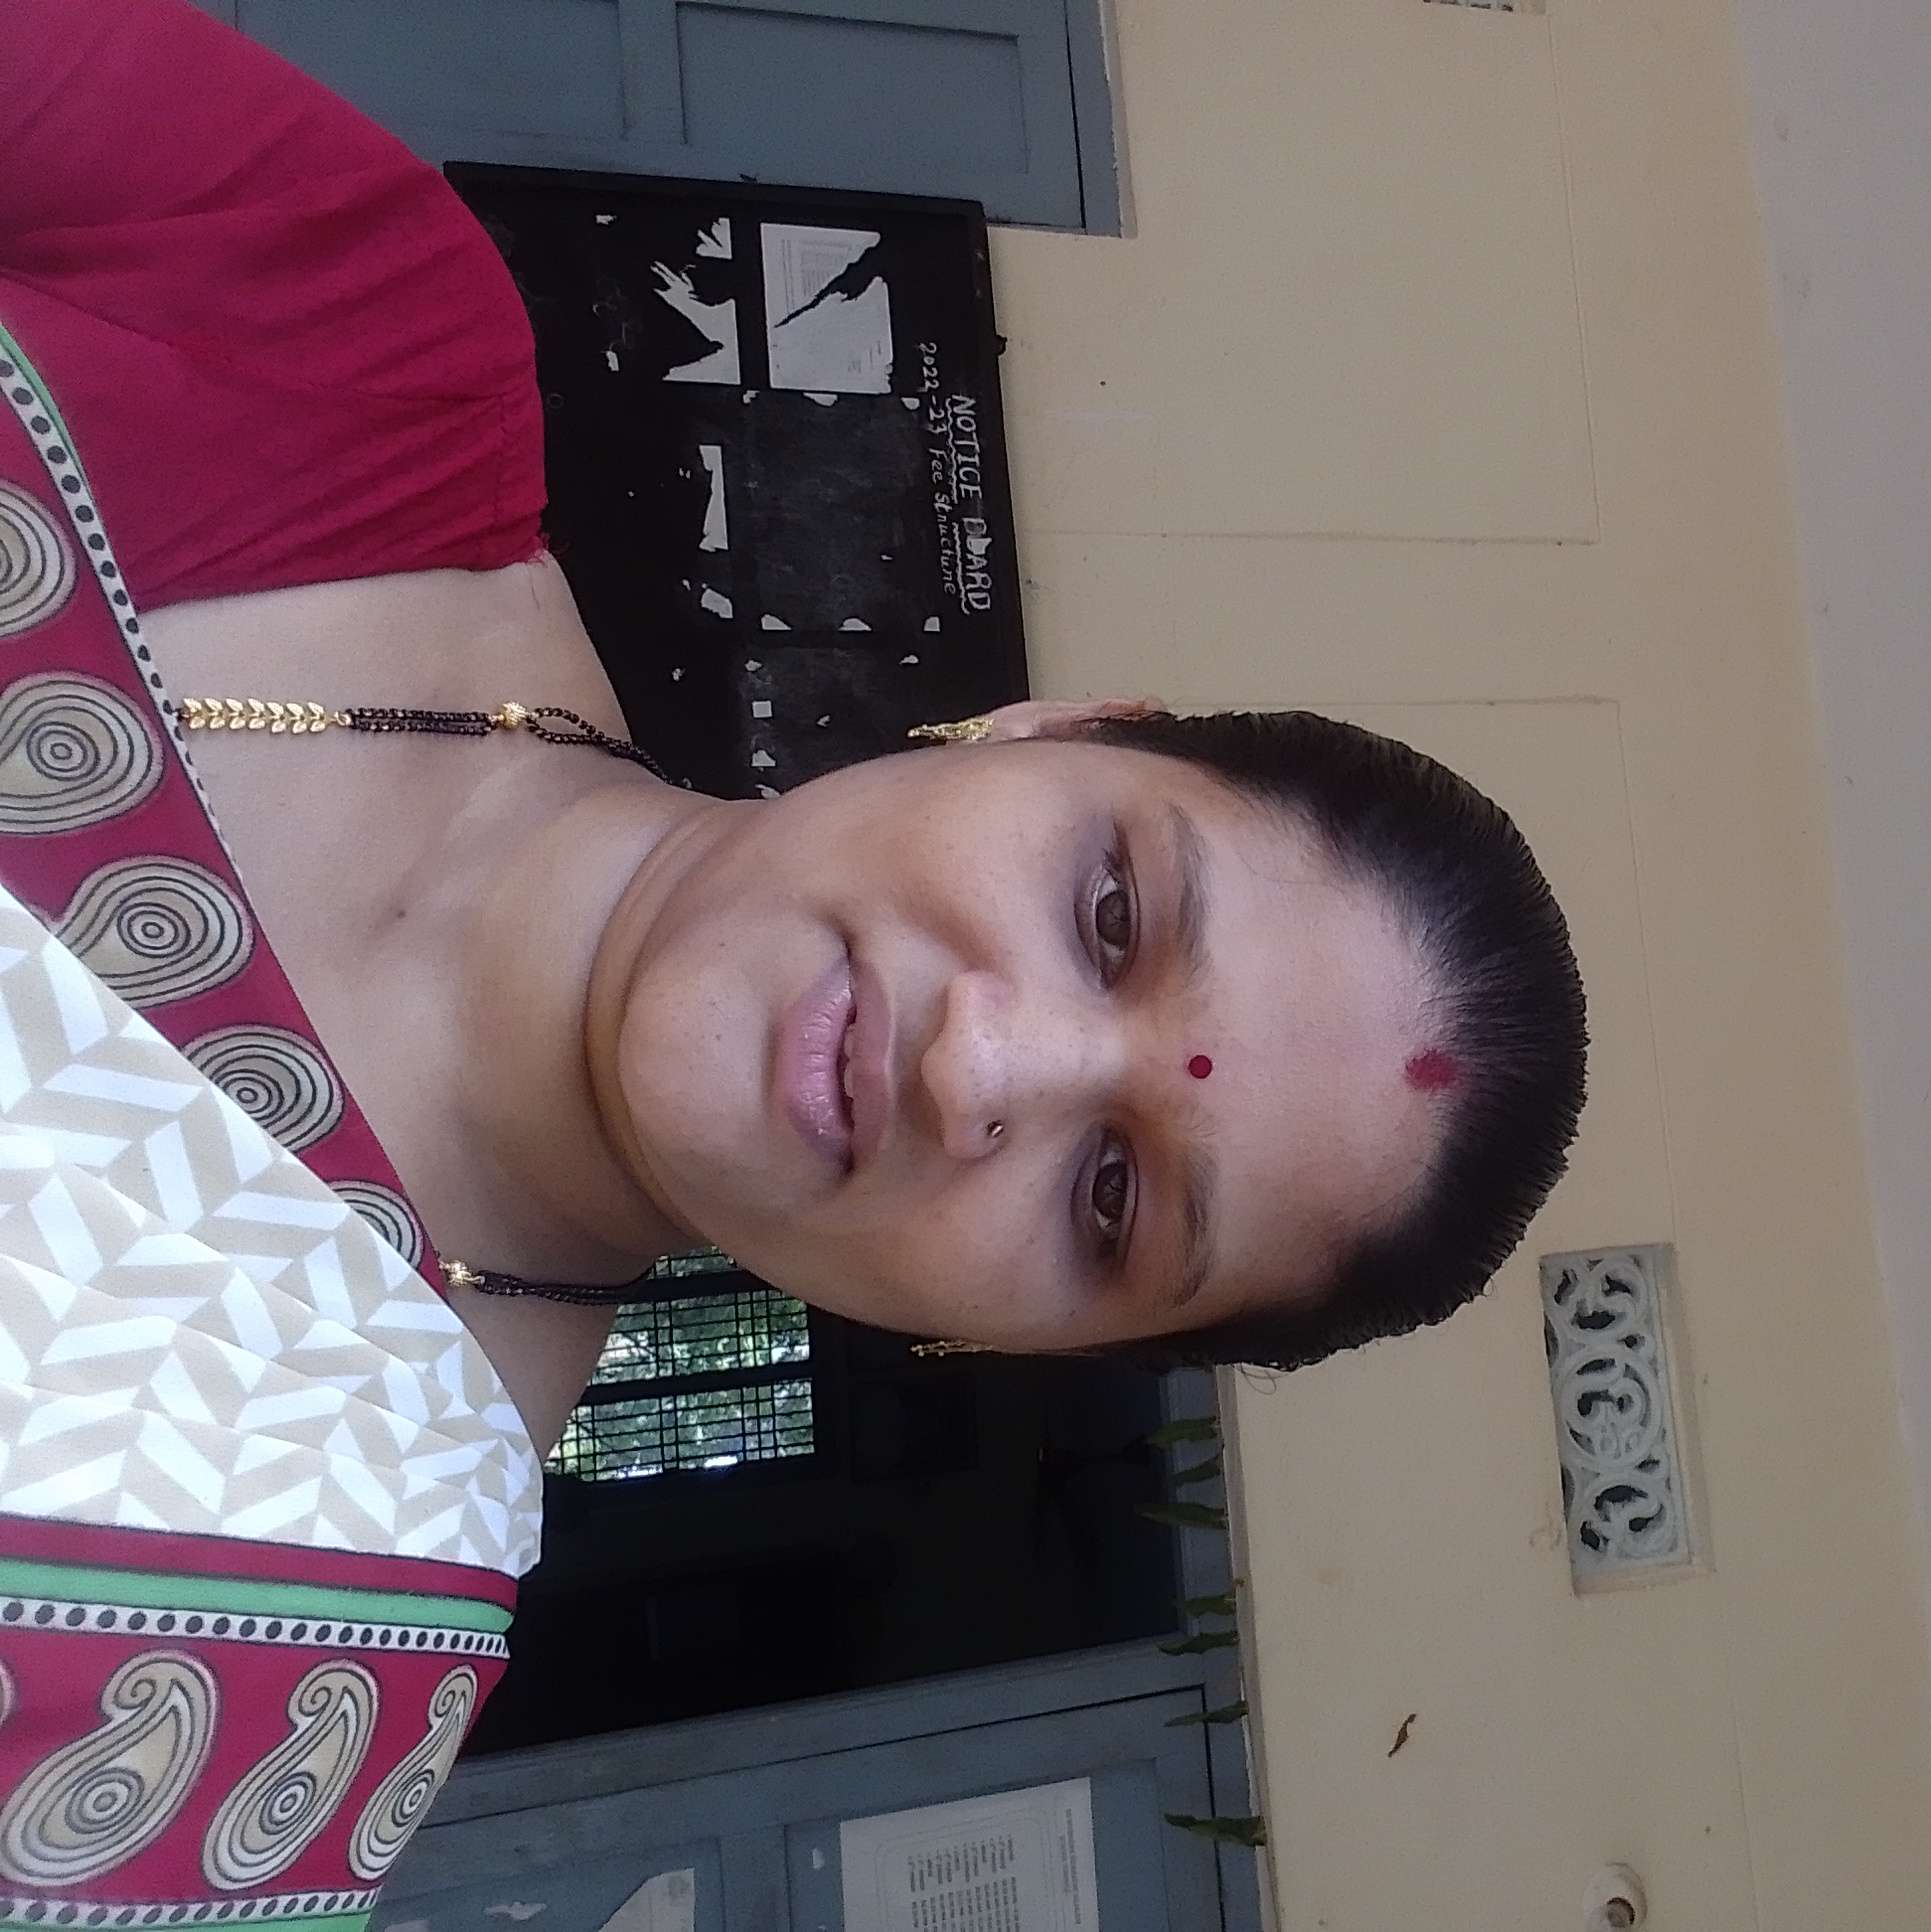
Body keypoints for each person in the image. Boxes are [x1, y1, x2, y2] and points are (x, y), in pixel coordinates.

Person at [0, 0, 1586, 1918]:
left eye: (1110, 1200)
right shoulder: (342, 330)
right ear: (1039, 729)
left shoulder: (279, 1681)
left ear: (1032, 1347)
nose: (981, 1065)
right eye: (1111, 911)